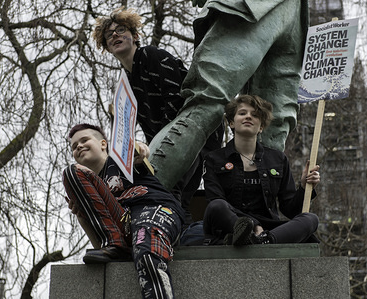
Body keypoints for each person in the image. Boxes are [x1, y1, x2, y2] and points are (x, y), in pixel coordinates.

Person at [148, 0, 308, 197]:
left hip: (287, 15)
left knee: (270, 128)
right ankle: (143, 197)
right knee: (210, 106)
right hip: (273, 14)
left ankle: (255, 220)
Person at [91, 7, 223, 226]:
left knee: (175, 187)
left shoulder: (152, 56)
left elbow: (176, 99)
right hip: (169, 136)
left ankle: (181, 228)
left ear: (134, 36)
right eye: (108, 34)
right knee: (172, 191)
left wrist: (160, 145)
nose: (114, 35)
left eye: (121, 30)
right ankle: (180, 229)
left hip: (193, 128)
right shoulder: (125, 82)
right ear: (106, 47)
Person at [62, 123, 185, 298]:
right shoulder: (90, 188)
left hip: (155, 211)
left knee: (146, 249)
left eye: (84, 140)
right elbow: (100, 247)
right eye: (74, 146)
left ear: (103, 144)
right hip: (124, 228)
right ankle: (118, 243)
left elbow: (140, 152)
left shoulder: (120, 159)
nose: (79, 146)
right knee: (71, 172)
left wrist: (140, 149)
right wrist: (81, 215)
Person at [202, 95, 320, 245]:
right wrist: (253, 225)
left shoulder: (278, 159)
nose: (248, 117)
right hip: (230, 225)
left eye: (255, 115)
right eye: (242, 113)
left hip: (268, 230)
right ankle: (250, 236)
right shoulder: (213, 159)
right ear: (231, 122)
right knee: (217, 206)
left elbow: (290, 210)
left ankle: (264, 241)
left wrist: (304, 187)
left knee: (311, 219)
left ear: (262, 126)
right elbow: (215, 200)